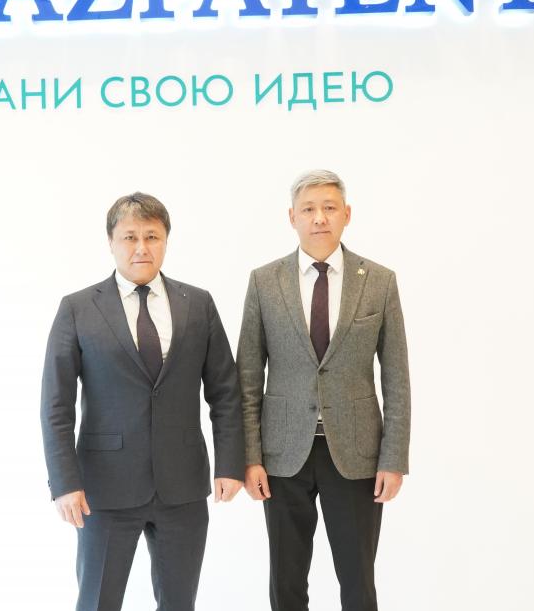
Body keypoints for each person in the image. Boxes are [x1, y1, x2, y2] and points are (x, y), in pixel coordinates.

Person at [40, 192, 245, 611]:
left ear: (166, 240)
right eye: (129, 237)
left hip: (182, 488)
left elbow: (225, 391)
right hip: (103, 489)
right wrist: (64, 482)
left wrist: (229, 464)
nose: (141, 248)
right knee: (98, 602)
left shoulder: (198, 304)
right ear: (111, 242)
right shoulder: (78, 308)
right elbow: (56, 405)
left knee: (179, 604)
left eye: (152, 236)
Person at [238, 170, 411, 611]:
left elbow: (396, 376)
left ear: (346, 214)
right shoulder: (264, 281)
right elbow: (248, 377)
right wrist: (250, 457)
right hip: (282, 455)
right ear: (292, 217)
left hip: (356, 454)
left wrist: (393, 459)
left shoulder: (379, 280)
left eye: (329, 208)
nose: (319, 218)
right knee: (286, 582)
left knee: (358, 582)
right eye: (309, 209)